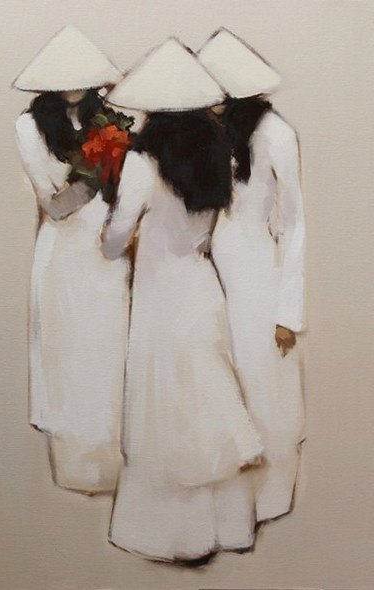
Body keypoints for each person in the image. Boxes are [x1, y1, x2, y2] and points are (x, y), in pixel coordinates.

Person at [101, 38, 263, 562]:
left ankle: (174, 534)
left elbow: (114, 240)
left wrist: (109, 230)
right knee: (207, 399)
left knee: (165, 408)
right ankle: (229, 527)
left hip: (160, 297)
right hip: (202, 288)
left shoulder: (142, 162)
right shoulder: (219, 154)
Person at [14, 25, 130, 494]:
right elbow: (53, 204)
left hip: (107, 253)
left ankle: (114, 467)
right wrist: (96, 170)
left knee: (108, 351)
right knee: (67, 355)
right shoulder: (29, 126)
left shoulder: (111, 121)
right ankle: (73, 469)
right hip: (63, 255)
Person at [199, 28, 306, 523]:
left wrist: (289, 311)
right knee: (224, 385)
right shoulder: (210, 136)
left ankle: (273, 498)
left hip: (260, 277)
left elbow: (295, 224)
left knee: (266, 386)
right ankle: (232, 506)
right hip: (212, 275)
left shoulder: (277, 135)